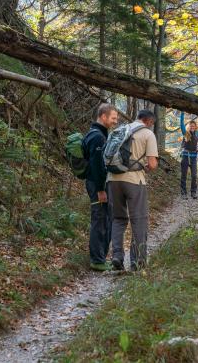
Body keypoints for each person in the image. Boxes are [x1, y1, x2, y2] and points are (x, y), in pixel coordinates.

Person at [108, 110, 159, 272]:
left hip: (112, 179)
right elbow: (152, 164)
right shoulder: (147, 134)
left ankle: (117, 256)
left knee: (118, 218)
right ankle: (137, 262)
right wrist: (147, 166)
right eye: (152, 123)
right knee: (139, 220)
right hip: (134, 181)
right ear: (149, 121)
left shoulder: (120, 130)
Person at [82, 103, 118, 271]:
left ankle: (101, 257)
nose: (115, 122)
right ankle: (97, 260)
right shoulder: (97, 137)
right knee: (99, 220)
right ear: (103, 116)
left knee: (106, 219)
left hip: (100, 184)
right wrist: (101, 190)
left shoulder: (99, 134)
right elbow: (97, 166)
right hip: (97, 185)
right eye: (113, 118)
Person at [180, 112, 198, 199]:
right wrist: (182, 114)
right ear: (188, 127)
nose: (192, 127)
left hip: (193, 158)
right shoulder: (185, 133)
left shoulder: (197, 134)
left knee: (194, 176)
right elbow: (181, 124)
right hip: (185, 157)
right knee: (184, 175)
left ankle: (193, 192)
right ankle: (183, 193)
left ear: (195, 127)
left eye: (193, 126)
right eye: (190, 126)